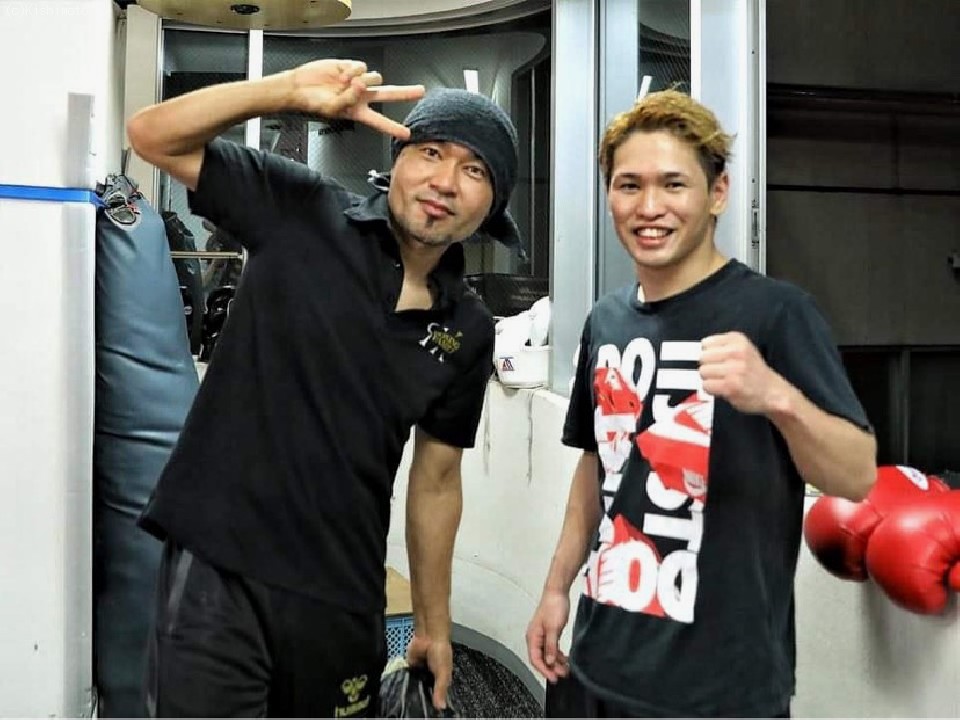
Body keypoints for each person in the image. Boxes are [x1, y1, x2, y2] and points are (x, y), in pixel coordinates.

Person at [126, 59, 521, 717]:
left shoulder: (468, 328)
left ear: (493, 205)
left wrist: (434, 622)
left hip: (344, 595)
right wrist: (283, 92)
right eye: (430, 153)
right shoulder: (302, 211)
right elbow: (151, 135)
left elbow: (436, 481)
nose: (445, 182)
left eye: (474, 171)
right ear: (397, 160)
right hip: (222, 573)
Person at [525, 89, 877, 718]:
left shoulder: (776, 313)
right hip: (596, 662)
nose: (649, 207)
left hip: (718, 691)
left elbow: (856, 475)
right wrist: (556, 588)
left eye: (673, 184)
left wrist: (777, 397)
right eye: (629, 185)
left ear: (717, 193)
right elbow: (597, 469)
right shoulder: (605, 321)